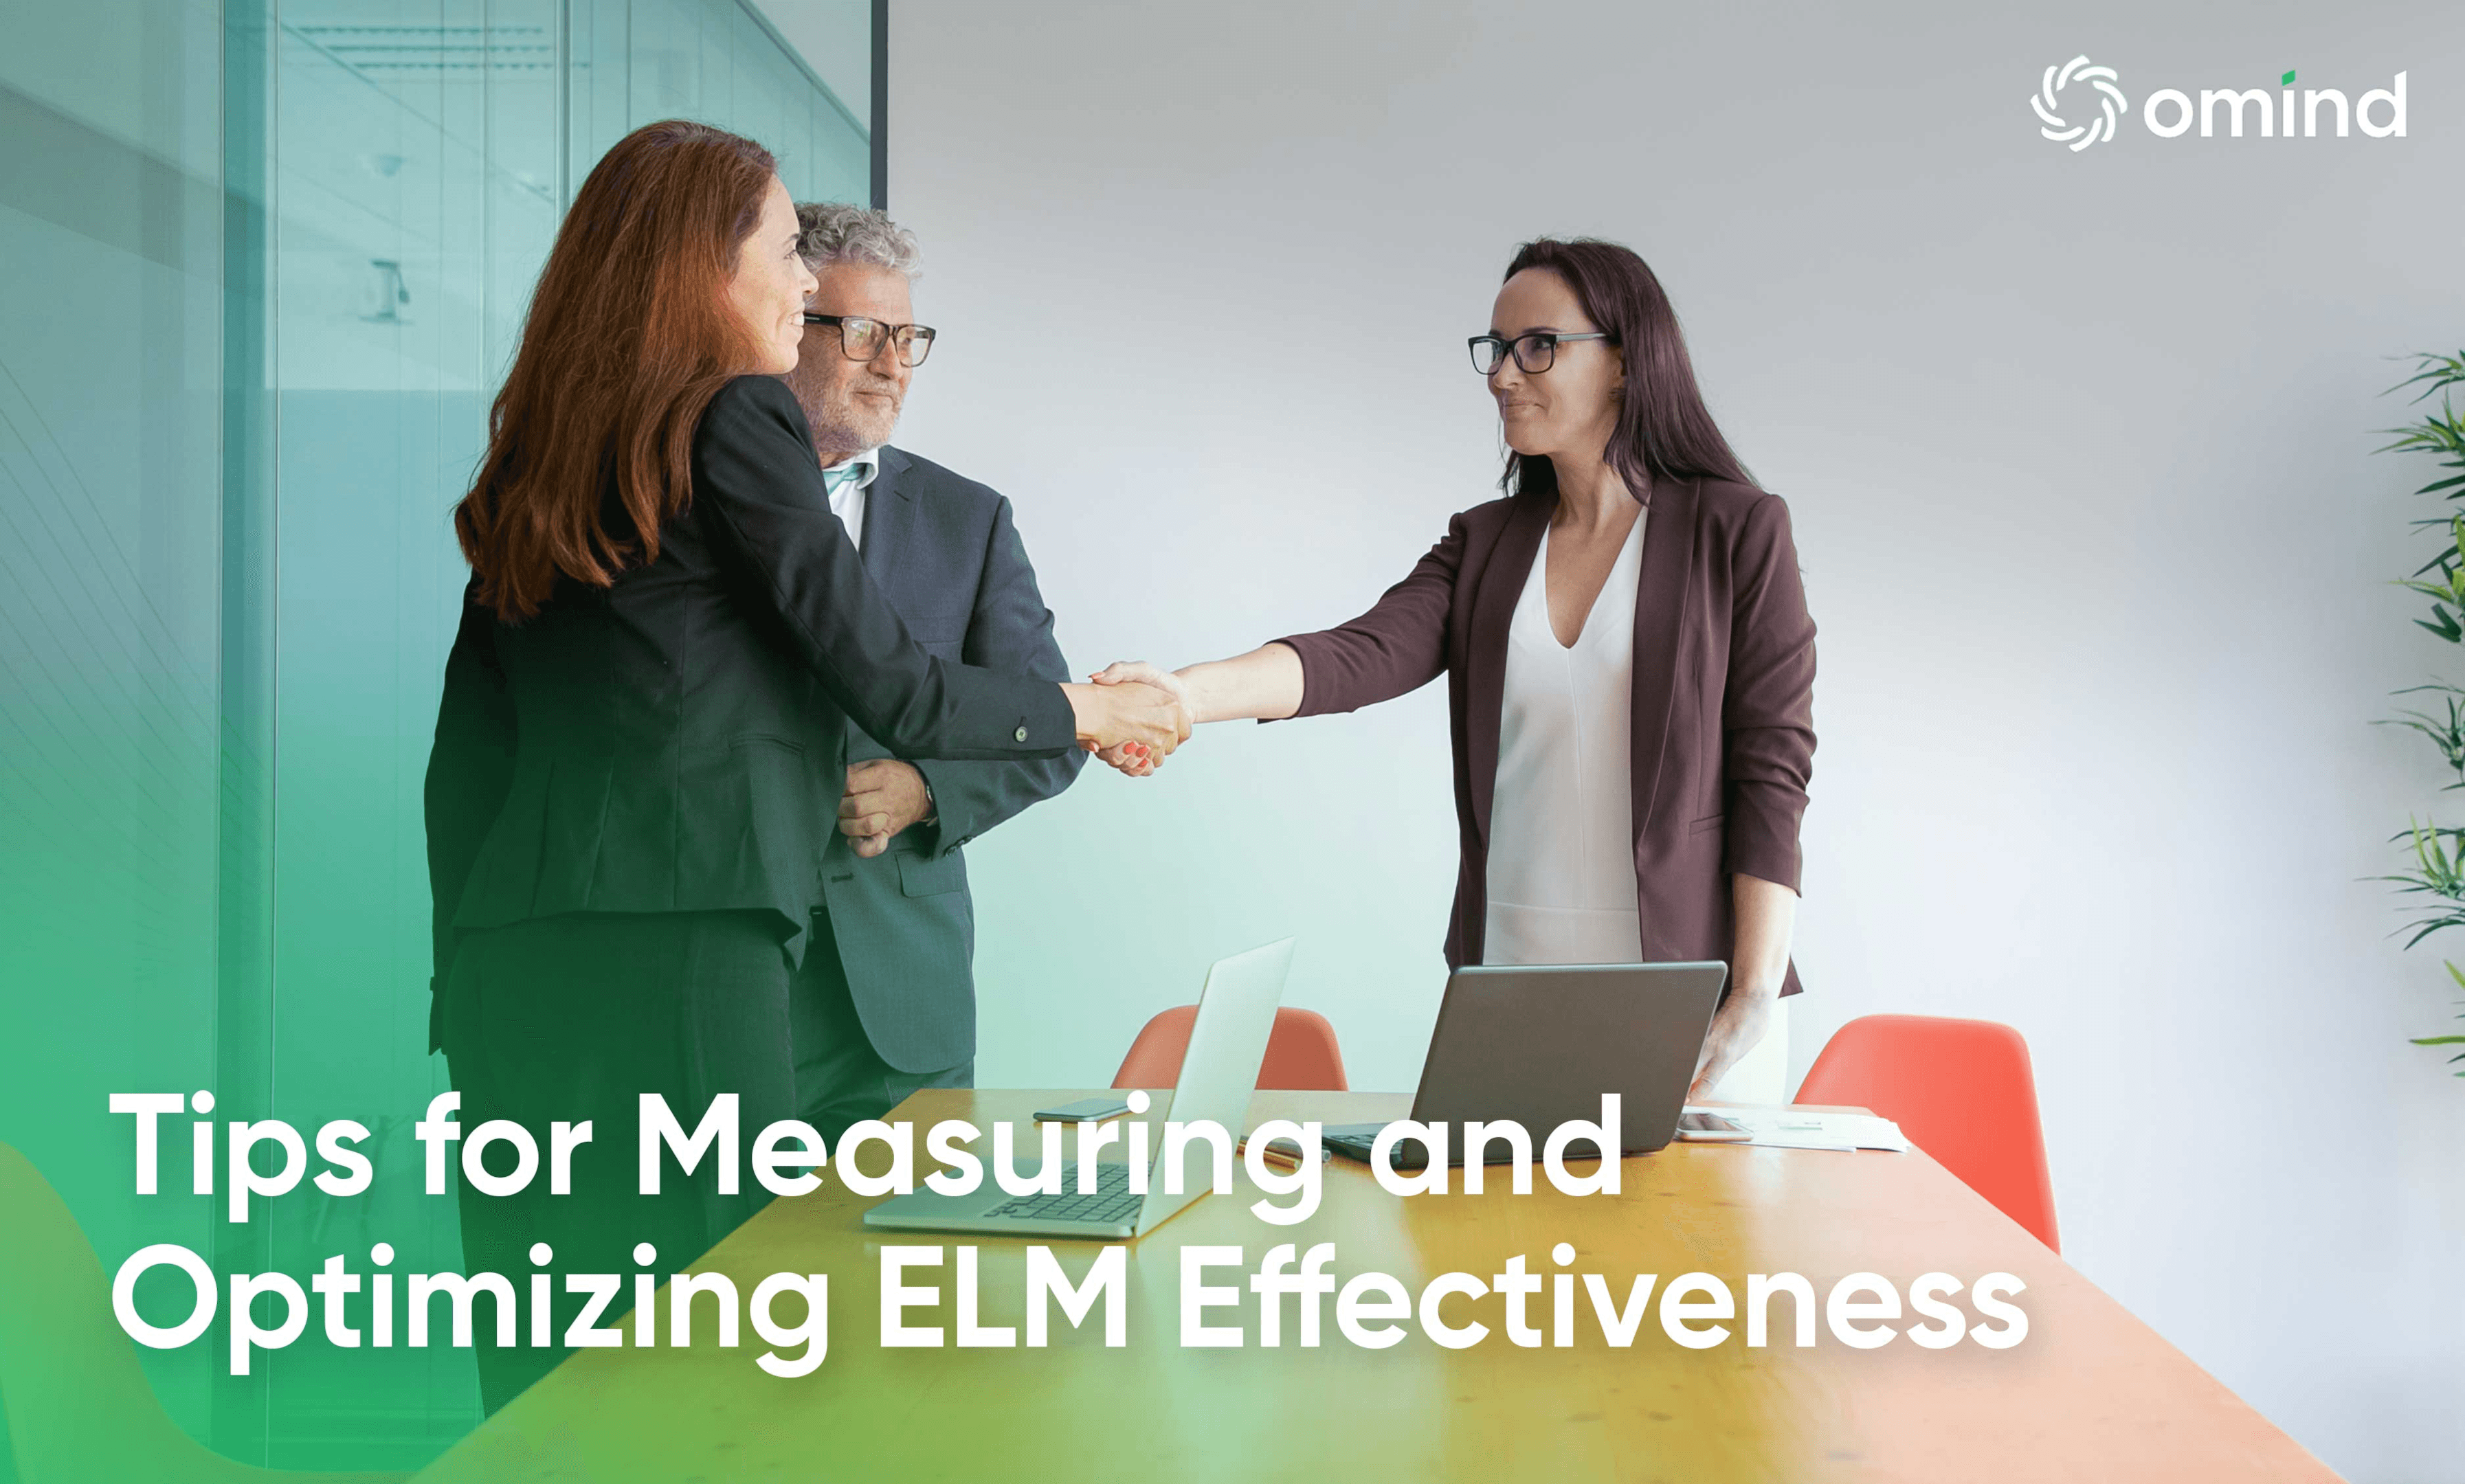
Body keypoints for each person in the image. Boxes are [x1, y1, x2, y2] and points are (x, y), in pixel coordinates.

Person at [423, 119, 1182, 1412]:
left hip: (514, 969)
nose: (797, 285)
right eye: (783, 252)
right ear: (707, 267)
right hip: (687, 949)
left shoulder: (549, 440)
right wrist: (1086, 706)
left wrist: (465, 962)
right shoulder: (733, 413)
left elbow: (468, 756)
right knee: (727, 1362)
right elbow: (891, 678)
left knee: (547, 1367)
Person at [1093, 237, 1815, 1102]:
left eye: (1536, 346)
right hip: (1509, 989)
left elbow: (1771, 768)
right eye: (1495, 349)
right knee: (1501, 1241)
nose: (1502, 376)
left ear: (1623, 362)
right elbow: (1357, 654)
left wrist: (1752, 991)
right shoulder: (1487, 542)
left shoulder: (1734, 531)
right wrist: (1183, 694)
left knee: (1688, 1241)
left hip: (1689, 1004)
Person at [779, 202, 1084, 1140]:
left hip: (902, 997)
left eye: (908, 338)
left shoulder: (967, 519)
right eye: (865, 334)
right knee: (735, 1282)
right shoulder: (690, 501)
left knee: (910, 1280)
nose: (893, 365)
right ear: (788, 323)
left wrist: (923, 788)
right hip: (738, 978)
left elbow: (1049, 728)